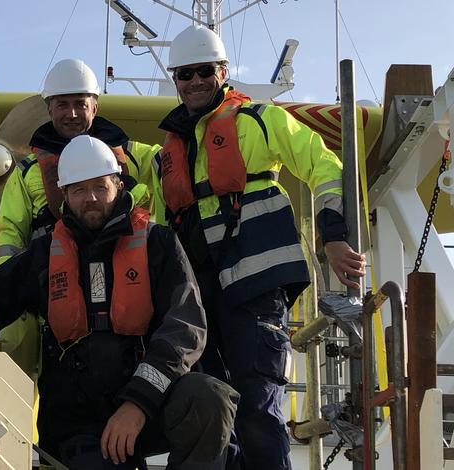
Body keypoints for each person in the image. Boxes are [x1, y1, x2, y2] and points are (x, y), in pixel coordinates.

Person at [0, 135, 238, 469]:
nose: (92, 199)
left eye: (101, 187)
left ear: (118, 185)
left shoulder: (158, 243)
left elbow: (186, 328)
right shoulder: (44, 256)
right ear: (65, 196)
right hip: (78, 423)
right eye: (80, 190)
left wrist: (137, 404)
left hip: (149, 402)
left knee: (209, 398)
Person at [150, 25, 366, 469]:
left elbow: (325, 166)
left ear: (223, 71)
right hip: (197, 301)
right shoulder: (165, 154)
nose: (194, 81)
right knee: (209, 410)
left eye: (203, 71)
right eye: (184, 74)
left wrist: (334, 236)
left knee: (258, 406)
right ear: (174, 79)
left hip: (256, 289)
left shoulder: (259, 120)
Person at [0, 58, 162, 375]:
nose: (71, 113)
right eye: (62, 104)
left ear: (94, 107)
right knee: (29, 375)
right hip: (52, 286)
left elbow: (176, 169)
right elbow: (9, 237)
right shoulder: (28, 171)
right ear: (49, 109)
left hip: (122, 285)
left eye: (80, 104)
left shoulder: (137, 157)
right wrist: (9, 289)